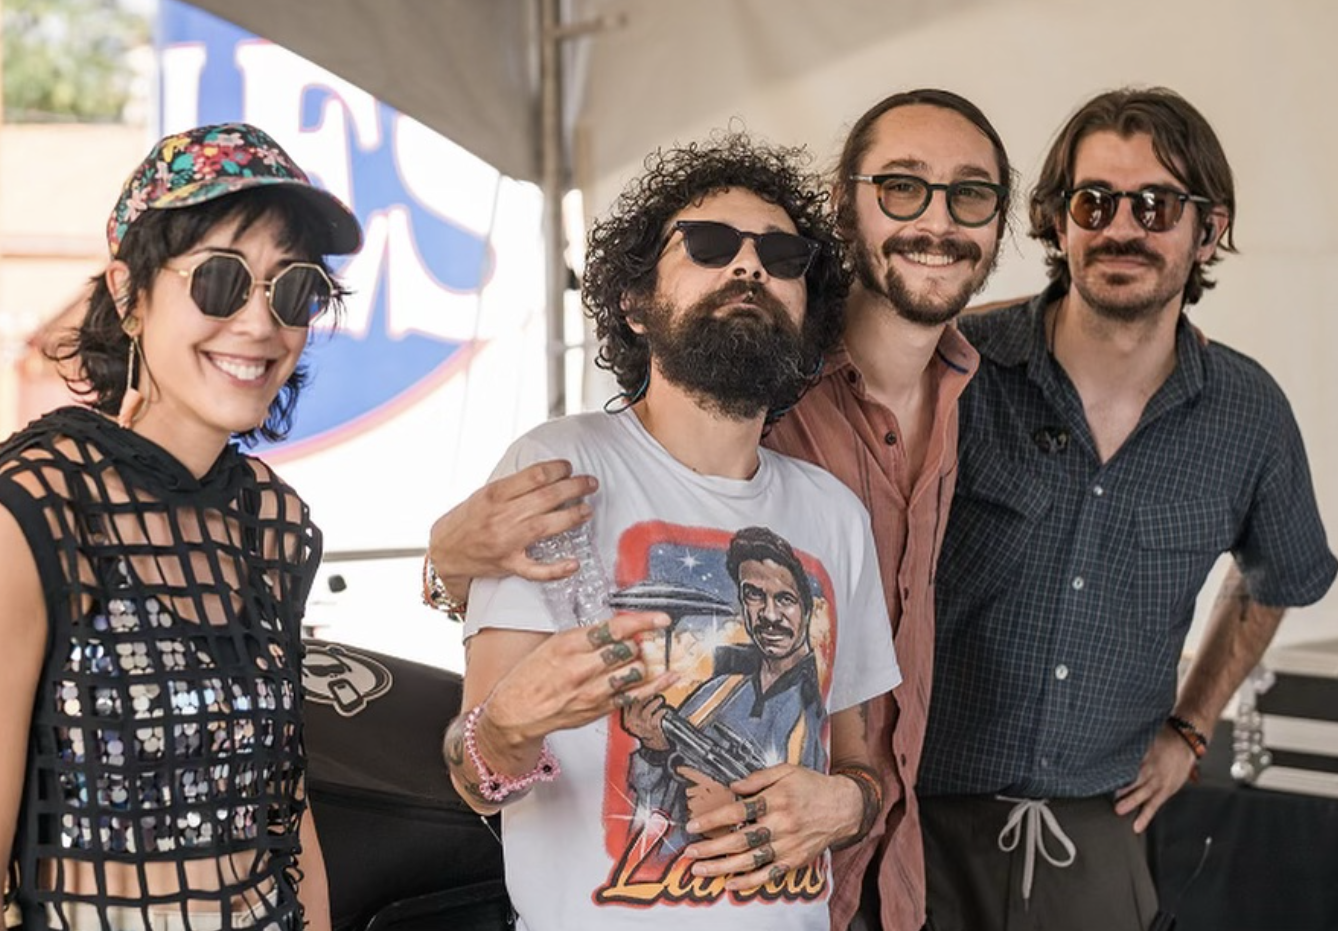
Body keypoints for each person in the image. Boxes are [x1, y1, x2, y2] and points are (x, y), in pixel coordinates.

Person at [426, 88, 1012, 931]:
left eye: (780, 254)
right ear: (635, 303)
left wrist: (847, 804)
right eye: (708, 245)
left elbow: (860, 765)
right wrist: (510, 725)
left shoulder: (832, 513)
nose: (749, 267)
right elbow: (476, 777)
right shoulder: (560, 468)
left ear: (808, 310)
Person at [918, 86, 1337, 931]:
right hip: (915, 820)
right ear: (1056, 222)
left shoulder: (1248, 413)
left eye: (1156, 206)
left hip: (1099, 834)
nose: (1123, 228)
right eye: (1094, 201)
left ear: (1208, 230)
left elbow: (1278, 577)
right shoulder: (953, 370)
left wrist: (1192, 728)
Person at [0, 123, 362, 931]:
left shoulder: (272, 522)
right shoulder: (37, 508)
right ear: (129, 293)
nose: (260, 323)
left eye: (293, 289)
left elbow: (283, 812)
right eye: (220, 280)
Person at [623, 526, 830, 858]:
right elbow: (647, 815)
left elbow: (814, 822)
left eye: (785, 599)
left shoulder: (809, 711)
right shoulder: (718, 690)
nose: (769, 615)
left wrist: (735, 812)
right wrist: (654, 750)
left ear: (806, 609)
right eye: (754, 595)